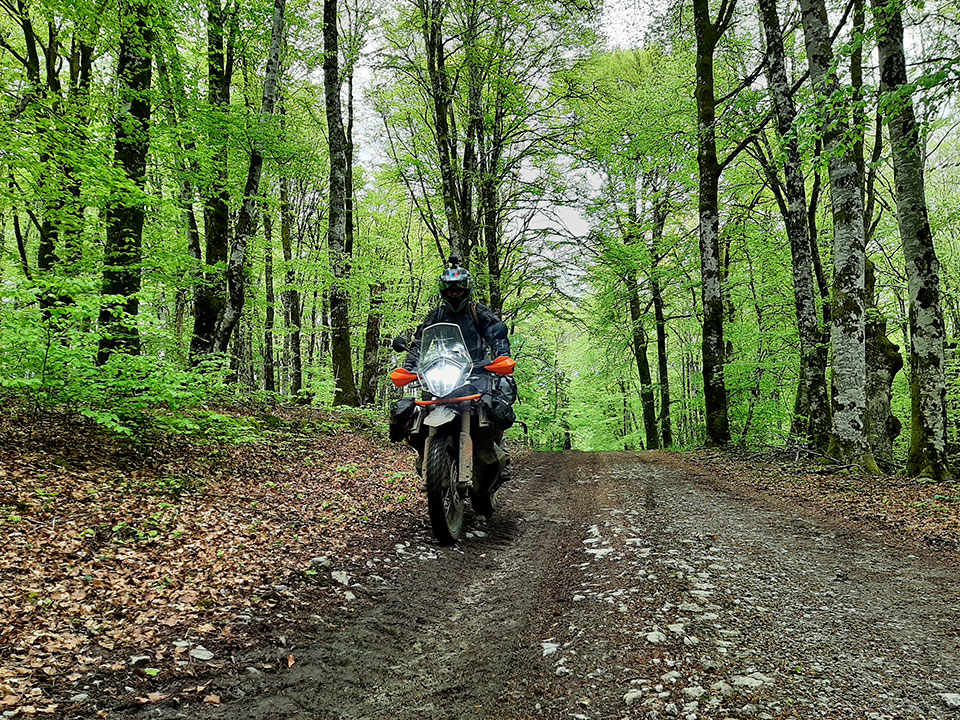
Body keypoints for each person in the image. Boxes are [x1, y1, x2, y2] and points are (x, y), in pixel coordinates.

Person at [402, 259, 516, 489]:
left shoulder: (478, 313)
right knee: (416, 411)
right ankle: (428, 456)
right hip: (442, 372)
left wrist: (501, 356)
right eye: (450, 290)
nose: (454, 294)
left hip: (476, 371)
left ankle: (498, 447)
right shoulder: (436, 315)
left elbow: (496, 335)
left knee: (492, 404)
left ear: (466, 290)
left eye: (459, 289)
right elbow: (419, 342)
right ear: (444, 291)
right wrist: (409, 366)